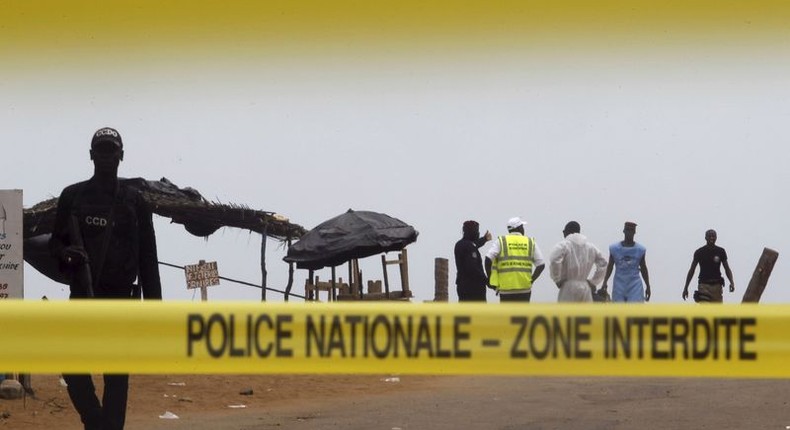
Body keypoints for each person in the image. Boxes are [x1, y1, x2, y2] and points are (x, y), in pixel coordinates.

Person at [49, 127, 162, 430]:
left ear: (121, 155)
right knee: (72, 368)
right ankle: (95, 421)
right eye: (101, 150)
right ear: (91, 156)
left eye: (111, 150)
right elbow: (54, 245)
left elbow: (148, 260)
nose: (106, 155)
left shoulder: (136, 203)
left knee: (116, 377)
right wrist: (67, 253)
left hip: (120, 301)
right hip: (82, 298)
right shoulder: (73, 197)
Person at [484, 217, 545, 302]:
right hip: (524, 289)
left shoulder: (501, 241)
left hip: (505, 289)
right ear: (519, 228)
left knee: (507, 315)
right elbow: (541, 265)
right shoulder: (530, 242)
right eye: (522, 226)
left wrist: (490, 278)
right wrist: (531, 280)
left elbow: (488, 259)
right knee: (522, 314)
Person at [549, 221, 608, 302]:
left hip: (568, 287)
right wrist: (594, 281)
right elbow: (603, 263)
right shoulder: (591, 247)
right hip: (585, 287)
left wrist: (557, 279)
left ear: (567, 231)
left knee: (567, 313)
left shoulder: (563, 246)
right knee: (584, 314)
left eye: (564, 231)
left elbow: (554, 260)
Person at [600, 221, 651, 302]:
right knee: (619, 310)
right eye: (627, 230)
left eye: (631, 230)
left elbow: (643, 268)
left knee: (635, 311)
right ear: (624, 231)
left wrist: (648, 286)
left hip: (635, 283)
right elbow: (610, 266)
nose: (629, 232)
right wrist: (605, 281)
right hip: (619, 283)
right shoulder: (615, 249)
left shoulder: (640, 250)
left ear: (634, 232)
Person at [682, 229, 735, 303]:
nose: (711, 238)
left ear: (716, 237)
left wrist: (732, 282)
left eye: (713, 236)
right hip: (704, 286)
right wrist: (686, 287)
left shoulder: (721, 251)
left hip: (717, 287)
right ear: (705, 238)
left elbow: (727, 269)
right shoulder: (699, 252)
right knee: (704, 311)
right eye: (709, 236)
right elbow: (692, 270)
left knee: (717, 312)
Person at [454, 220, 492, 302]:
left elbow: (474, 244)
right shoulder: (469, 247)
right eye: (477, 231)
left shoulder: (460, 244)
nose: (478, 233)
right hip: (473, 288)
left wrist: (484, 239)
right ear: (473, 232)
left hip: (463, 286)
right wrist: (486, 281)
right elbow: (473, 268)